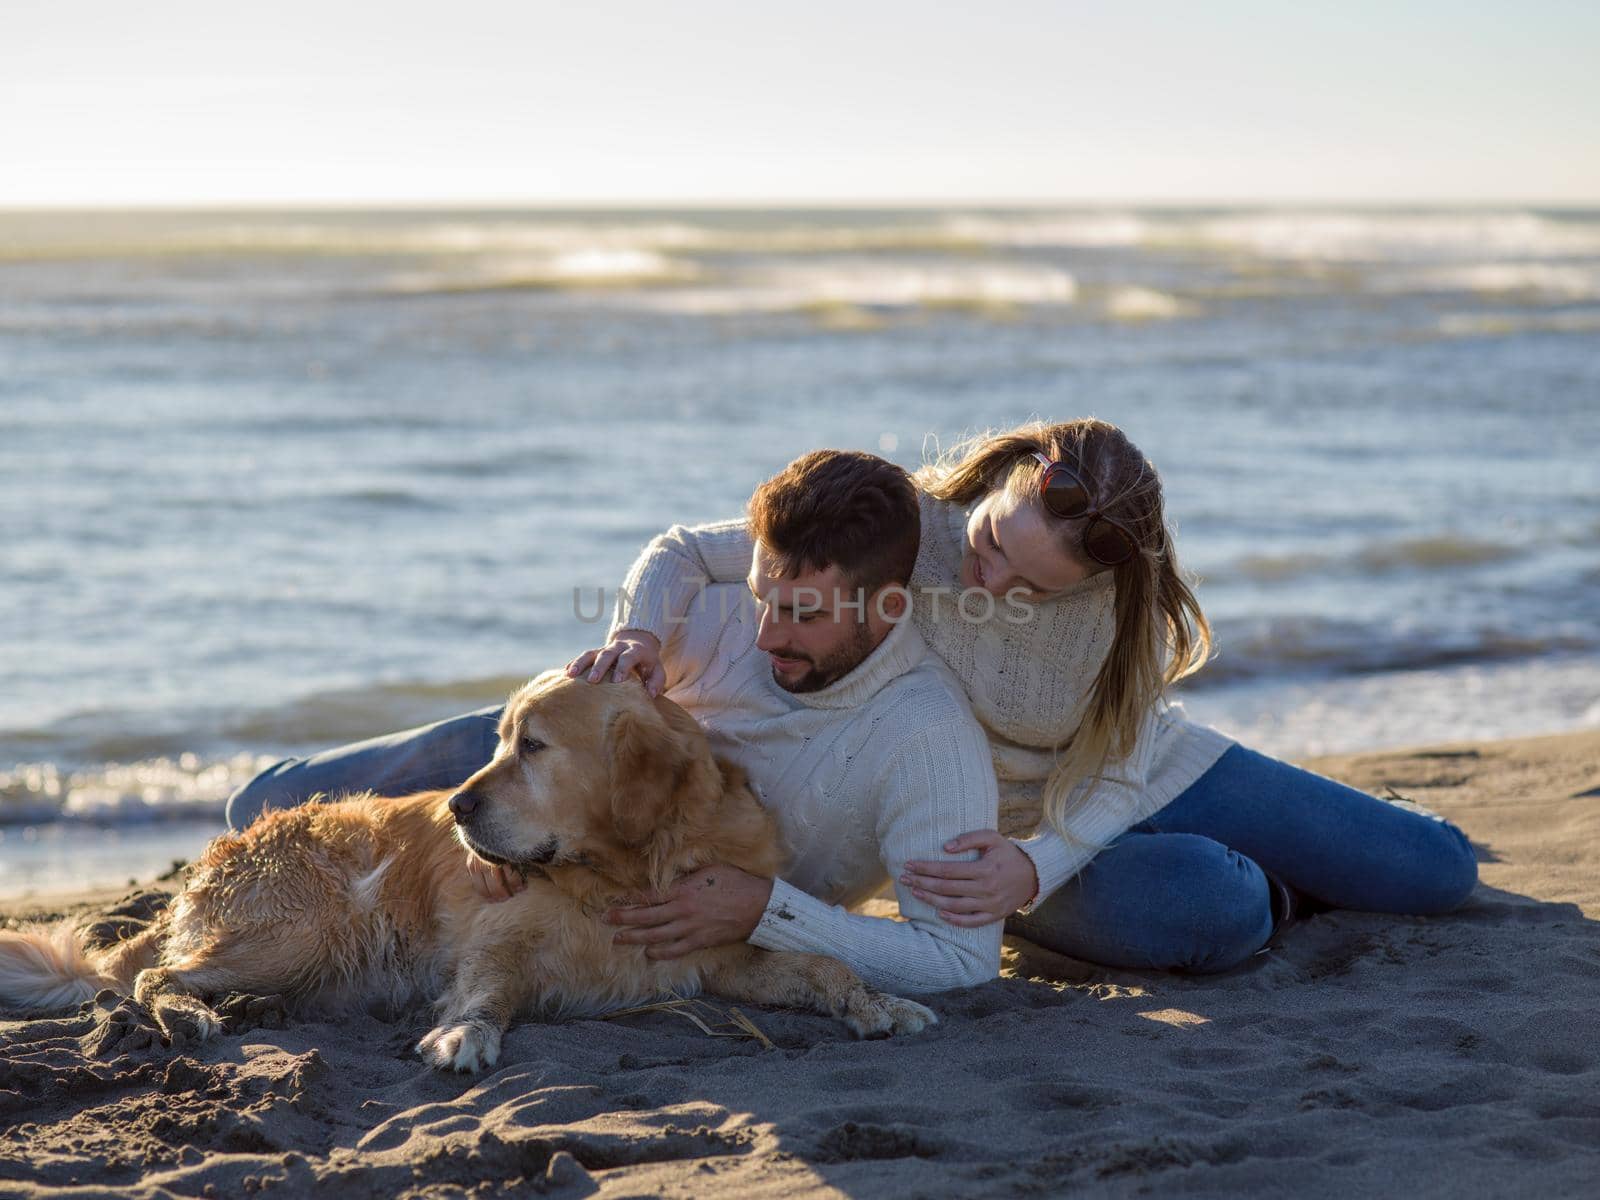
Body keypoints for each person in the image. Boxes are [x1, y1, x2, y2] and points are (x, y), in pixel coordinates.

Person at [575, 418, 1479, 973]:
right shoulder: (912, 527)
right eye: (996, 541)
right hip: (995, 836)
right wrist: (638, 634)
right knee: (1217, 908)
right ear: (1006, 475)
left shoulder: (1118, 620)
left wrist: (1043, 865)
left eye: (1029, 582)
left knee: (1439, 875)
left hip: (1144, 780)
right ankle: (1285, 888)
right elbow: (688, 551)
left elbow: (1123, 777)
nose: (989, 576)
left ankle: (1345, 831)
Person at [227, 450, 1003, 994]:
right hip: (542, 759)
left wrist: (773, 911)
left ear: (889, 608)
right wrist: (634, 634)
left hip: (592, 788)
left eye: (801, 615)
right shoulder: (741, 598)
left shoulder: (928, 741)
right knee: (264, 799)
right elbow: (681, 549)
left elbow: (960, 961)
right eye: (761, 596)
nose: (763, 635)